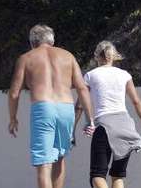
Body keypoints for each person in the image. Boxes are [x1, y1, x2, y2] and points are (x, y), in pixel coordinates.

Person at [7, 24, 97, 188]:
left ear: (32, 42)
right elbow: (82, 88)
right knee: (60, 157)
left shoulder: (26, 58)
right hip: (66, 108)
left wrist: (13, 118)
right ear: (52, 40)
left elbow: (14, 93)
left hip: (43, 107)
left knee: (44, 164)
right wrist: (90, 119)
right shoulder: (68, 56)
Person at [78, 41, 141, 188]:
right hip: (126, 127)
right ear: (114, 56)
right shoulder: (124, 75)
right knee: (117, 175)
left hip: (104, 126)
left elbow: (79, 106)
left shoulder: (90, 75)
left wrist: (71, 130)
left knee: (97, 175)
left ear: (97, 56)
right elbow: (137, 102)